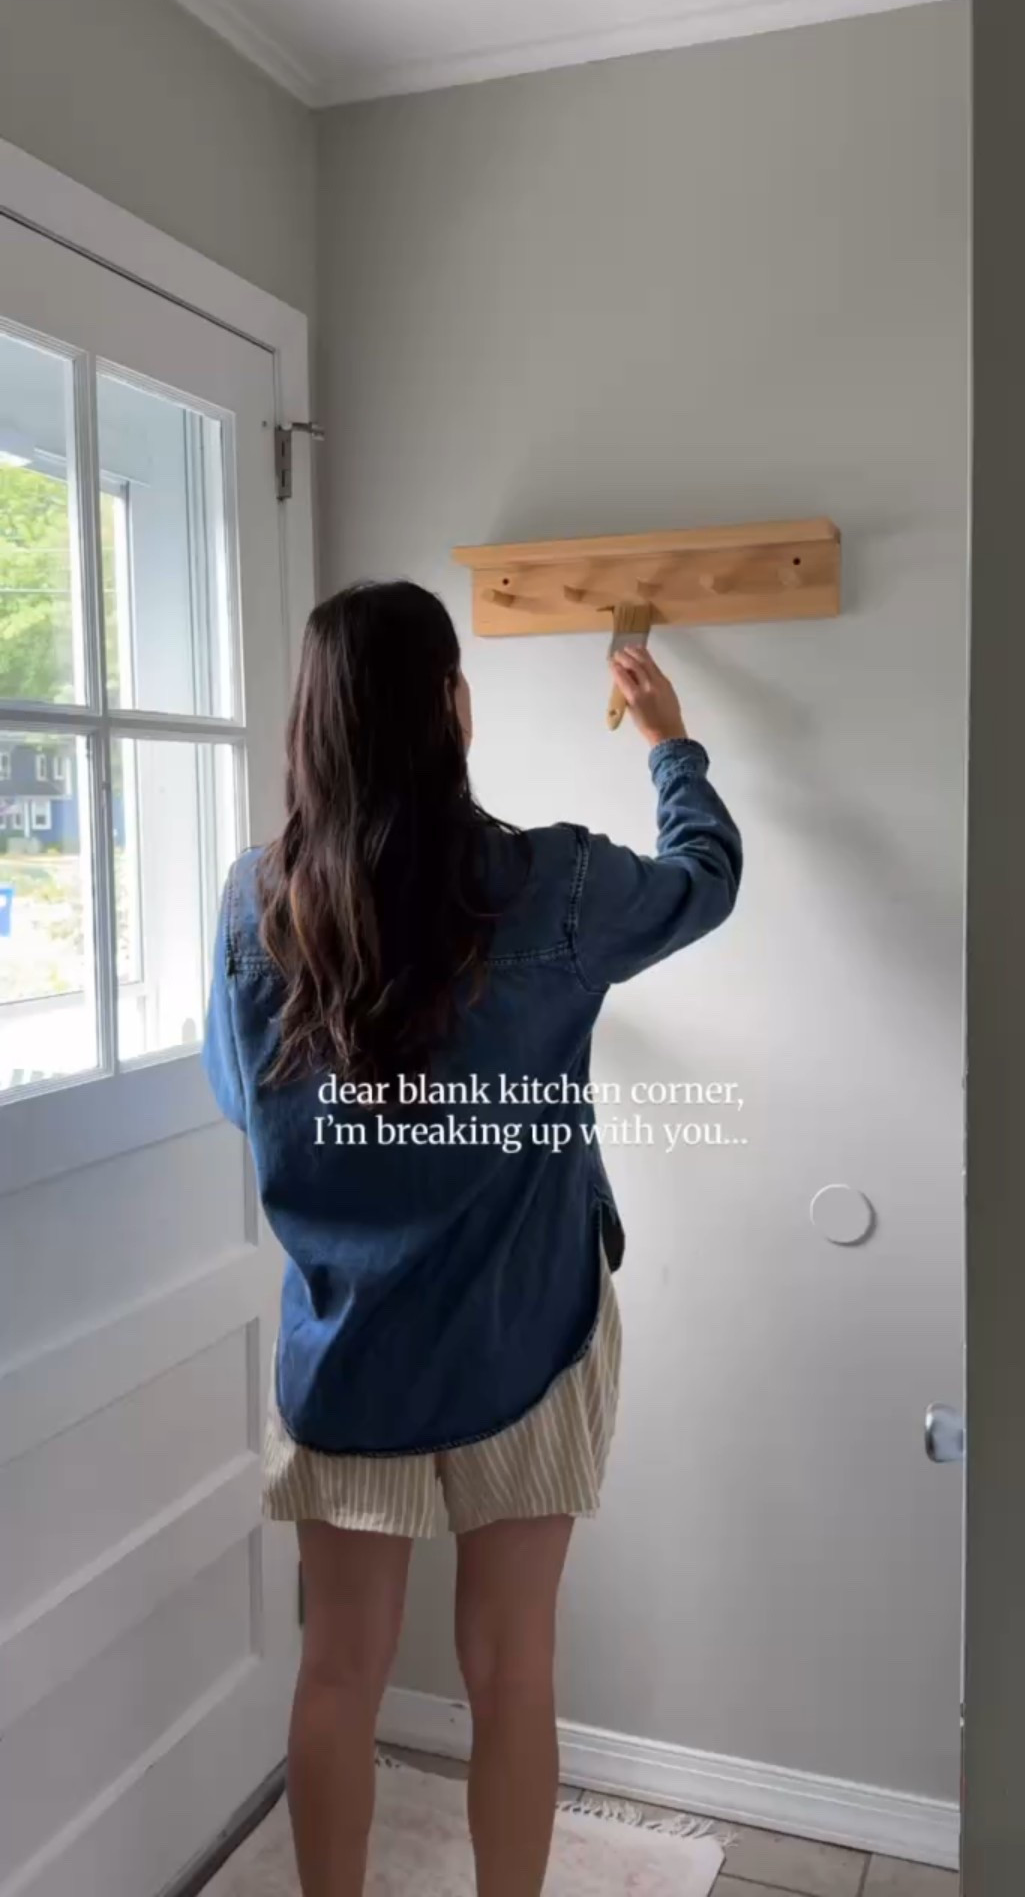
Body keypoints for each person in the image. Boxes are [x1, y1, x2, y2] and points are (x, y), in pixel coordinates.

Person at [202, 580, 742, 1897]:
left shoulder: (255, 906)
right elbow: (705, 882)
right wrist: (670, 742)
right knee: (514, 1673)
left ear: (310, 730)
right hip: (530, 1332)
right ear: (455, 708)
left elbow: (237, 1099)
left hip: (350, 1348)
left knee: (338, 1671)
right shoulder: (554, 883)